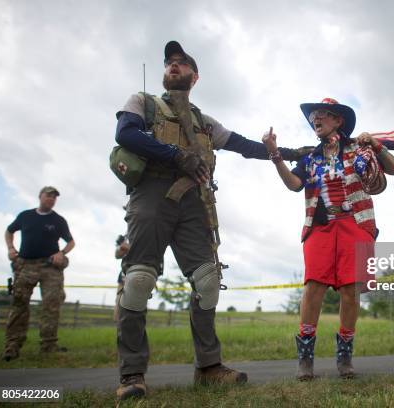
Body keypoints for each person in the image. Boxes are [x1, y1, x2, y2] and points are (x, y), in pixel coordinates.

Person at [113, 40, 305, 401]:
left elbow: (247, 147)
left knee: (208, 282)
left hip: (193, 205)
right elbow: (125, 134)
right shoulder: (143, 102)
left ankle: (209, 368)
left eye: (182, 63)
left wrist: (291, 152)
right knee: (138, 281)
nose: (173, 66)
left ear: (194, 76)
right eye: (170, 62)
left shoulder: (204, 122)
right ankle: (132, 374)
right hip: (151, 197)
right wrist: (175, 154)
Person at [262, 97, 394, 380]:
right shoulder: (310, 158)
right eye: (313, 115)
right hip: (320, 227)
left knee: (351, 290)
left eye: (323, 114)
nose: (316, 118)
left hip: (356, 223)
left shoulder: (359, 149)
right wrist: (275, 155)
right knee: (313, 286)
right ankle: (305, 357)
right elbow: (294, 184)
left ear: (338, 120)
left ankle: (345, 356)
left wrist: (376, 144)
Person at [2, 186, 75, 361]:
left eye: (54, 197)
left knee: (51, 305)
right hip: (26, 265)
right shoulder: (25, 216)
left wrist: (61, 253)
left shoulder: (58, 220)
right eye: (48, 195)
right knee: (19, 304)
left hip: (49, 267)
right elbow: (9, 231)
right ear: (40, 196)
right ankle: (12, 346)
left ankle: (48, 346)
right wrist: (11, 248)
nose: (51, 199)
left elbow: (71, 242)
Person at [113, 234, 130, 322]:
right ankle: (119, 331)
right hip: (123, 280)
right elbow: (117, 255)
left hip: (140, 277)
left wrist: (130, 248)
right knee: (119, 306)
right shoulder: (126, 235)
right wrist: (121, 248)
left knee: (136, 308)